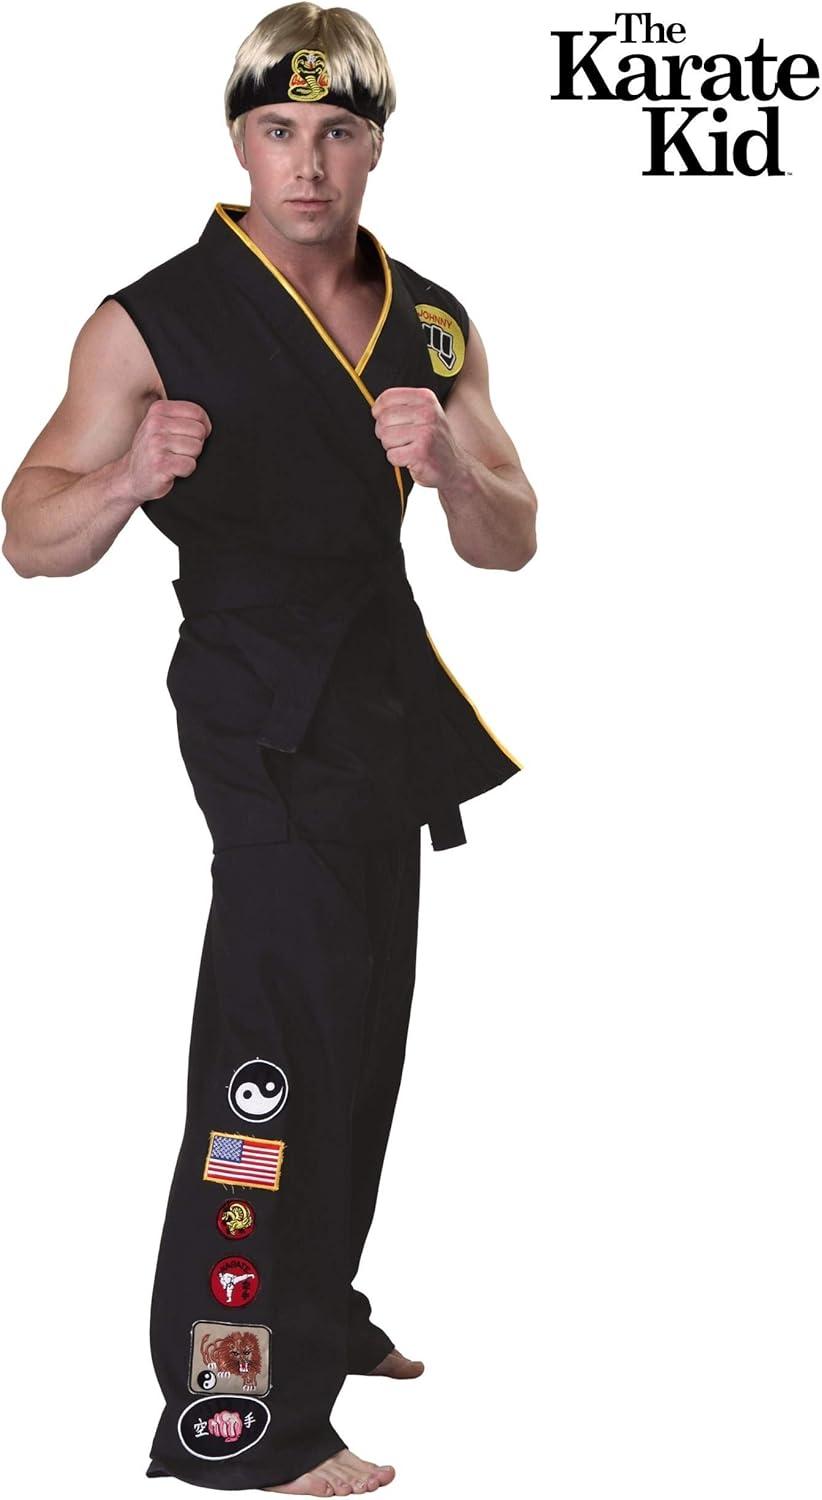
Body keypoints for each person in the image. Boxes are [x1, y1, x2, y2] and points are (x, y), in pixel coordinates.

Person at [1, 4, 537, 1494]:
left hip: (381, 710)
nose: (308, 162)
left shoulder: (431, 323)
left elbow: (510, 539)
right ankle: (236, 1410)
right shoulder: (152, 318)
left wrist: (450, 464)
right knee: (268, 1065)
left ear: (376, 147)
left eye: (340, 132)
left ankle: (317, 1313)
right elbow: (28, 536)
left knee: (358, 1041)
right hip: (256, 714)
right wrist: (126, 475)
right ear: (240, 139)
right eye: (279, 130)